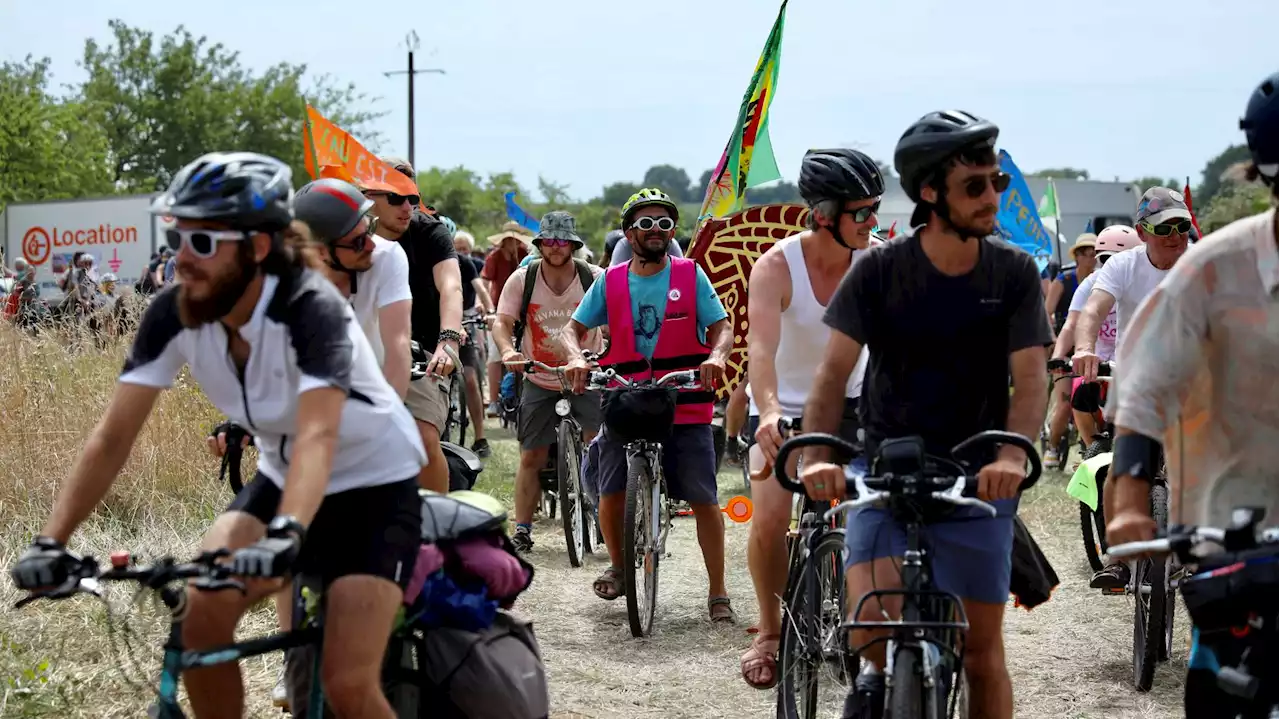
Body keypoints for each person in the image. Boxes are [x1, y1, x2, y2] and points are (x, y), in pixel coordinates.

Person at [9, 152, 427, 719]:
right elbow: (112, 438)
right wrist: (50, 541)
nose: (181, 257)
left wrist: (288, 531)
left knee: (348, 681)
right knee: (200, 618)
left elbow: (318, 435)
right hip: (286, 478)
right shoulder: (175, 313)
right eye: (178, 236)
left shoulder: (312, 310)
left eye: (202, 244)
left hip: (373, 485)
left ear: (258, 247)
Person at [798, 111, 1052, 719]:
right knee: (872, 643)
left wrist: (1013, 453)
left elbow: (1032, 377)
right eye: (976, 186)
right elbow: (833, 376)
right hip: (885, 471)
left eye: (997, 182)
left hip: (980, 476)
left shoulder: (1013, 272)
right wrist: (816, 455)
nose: (993, 195)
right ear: (930, 193)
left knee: (984, 656)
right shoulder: (880, 272)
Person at [1104, 72, 1280, 718]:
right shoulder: (1212, 270)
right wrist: (1127, 497)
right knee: (1222, 685)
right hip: (1242, 528)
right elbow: (1147, 381)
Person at [738, 148, 882, 689]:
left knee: (874, 516)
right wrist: (769, 412)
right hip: (785, 406)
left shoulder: (876, 263)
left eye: (875, 210)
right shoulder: (776, 266)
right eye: (862, 212)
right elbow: (760, 351)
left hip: (854, 404)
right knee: (771, 518)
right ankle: (771, 632)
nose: (872, 222)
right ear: (824, 214)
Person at [562, 188, 737, 622]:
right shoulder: (611, 280)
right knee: (611, 486)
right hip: (626, 396)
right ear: (629, 232)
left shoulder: (690, 273)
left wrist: (716, 356)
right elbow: (572, 329)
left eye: (664, 223)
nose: (657, 231)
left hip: (686, 401)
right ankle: (620, 567)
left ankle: (718, 592)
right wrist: (573, 357)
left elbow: (722, 327)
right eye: (646, 223)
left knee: (703, 498)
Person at [493, 211, 605, 553]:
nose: (556, 247)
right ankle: (523, 528)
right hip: (539, 374)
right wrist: (507, 351)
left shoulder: (593, 278)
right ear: (540, 244)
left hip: (586, 374)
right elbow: (502, 322)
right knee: (531, 456)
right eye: (549, 241)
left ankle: (605, 517)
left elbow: (618, 319)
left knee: (599, 447)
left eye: (562, 241)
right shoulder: (522, 279)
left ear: (573, 244)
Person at [369, 156, 464, 493]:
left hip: (423, 352)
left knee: (423, 438)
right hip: (363, 353)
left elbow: (451, 286)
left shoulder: (430, 231)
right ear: (369, 196)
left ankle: (436, 530)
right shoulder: (348, 235)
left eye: (412, 198)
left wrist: (448, 340)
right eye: (395, 198)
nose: (407, 206)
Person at [294, 178, 413, 398]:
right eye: (357, 242)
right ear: (319, 251)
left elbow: (399, 347)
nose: (372, 245)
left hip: (377, 386)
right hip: (313, 392)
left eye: (370, 230)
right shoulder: (288, 277)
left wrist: (385, 421)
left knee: (423, 432)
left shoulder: (388, 257)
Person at [1050, 225, 1139, 455]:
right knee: (1078, 395)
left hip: (1134, 363)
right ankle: (1092, 452)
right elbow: (1072, 324)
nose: (1113, 265)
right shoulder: (1092, 283)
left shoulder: (1144, 283)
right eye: (1106, 259)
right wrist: (1058, 356)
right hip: (1096, 362)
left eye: (1119, 259)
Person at [1041, 234, 1098, 467]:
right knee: (1065, 404)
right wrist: (1052, 339)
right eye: (1086, 252)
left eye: (1095, 251)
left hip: (1091, 349)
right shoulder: (1064, 279)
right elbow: (1046, 312)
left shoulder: (1101, 280)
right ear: (1077, 256)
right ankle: (1053, 445)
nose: (1092, 256)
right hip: (1064, 349)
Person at [483, 222, 532, 416]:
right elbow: (486, 282)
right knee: (496, 354)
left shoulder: (526, 257)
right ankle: (494, 401)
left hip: (524, 310)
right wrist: (486, 308)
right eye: (509, 239)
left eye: (516, 239)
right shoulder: (494, 257)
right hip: (499, 309)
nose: (513, 243)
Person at [452, 228, 494, 457]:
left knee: (469, 378)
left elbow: (480, 289)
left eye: (462, 248)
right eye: (455, 246)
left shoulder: (466, 264)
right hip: (442, 323)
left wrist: (491, 311)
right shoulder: (434, 261)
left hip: (466, 319)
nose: (458, 251)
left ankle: (480, 437)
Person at [609, 228, 683, 266]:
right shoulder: (624, 245)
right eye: (645, 223)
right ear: (630, 235)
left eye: (664, 223)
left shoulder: (671, 243)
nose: (655, 229)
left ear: (671, 233)